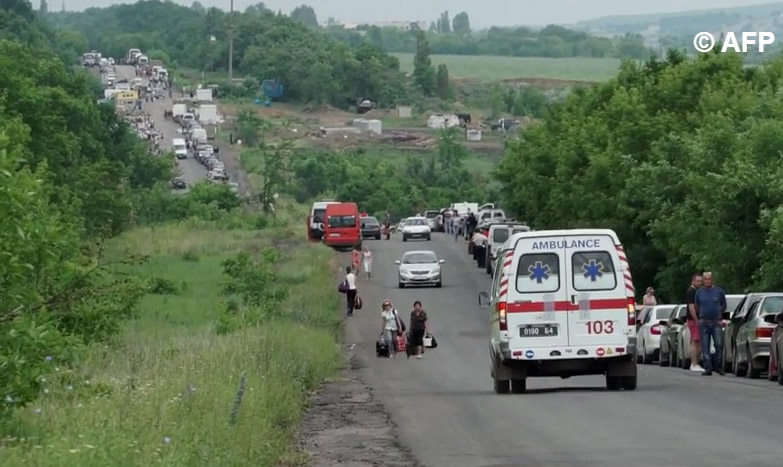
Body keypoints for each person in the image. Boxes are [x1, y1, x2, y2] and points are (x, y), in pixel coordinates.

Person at [694, 271, 727, 376]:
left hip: (716, 321)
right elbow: (697, 306)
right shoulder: (699, 292)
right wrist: (702, 316)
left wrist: (718, 315)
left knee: (719, 344)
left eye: (709, 279)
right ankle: (708, 367)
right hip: (703, 322)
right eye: (706, 279)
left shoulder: (719, 291)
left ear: (712, 280)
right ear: (703, 281)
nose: (707, 281)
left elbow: (724, 305)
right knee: (705, 345)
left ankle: (718, 366)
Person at [685, 273, 704, 372]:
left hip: (697, 319)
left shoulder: (696, 291)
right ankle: (694, 363)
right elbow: (691, 307)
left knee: (698, 342)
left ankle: (696, 363)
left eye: (701, 281)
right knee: (695, 342)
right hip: (694, 320)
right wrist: (696, 320)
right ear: (693, 281)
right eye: (698, 281)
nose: (700, 283)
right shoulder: (691, 291)